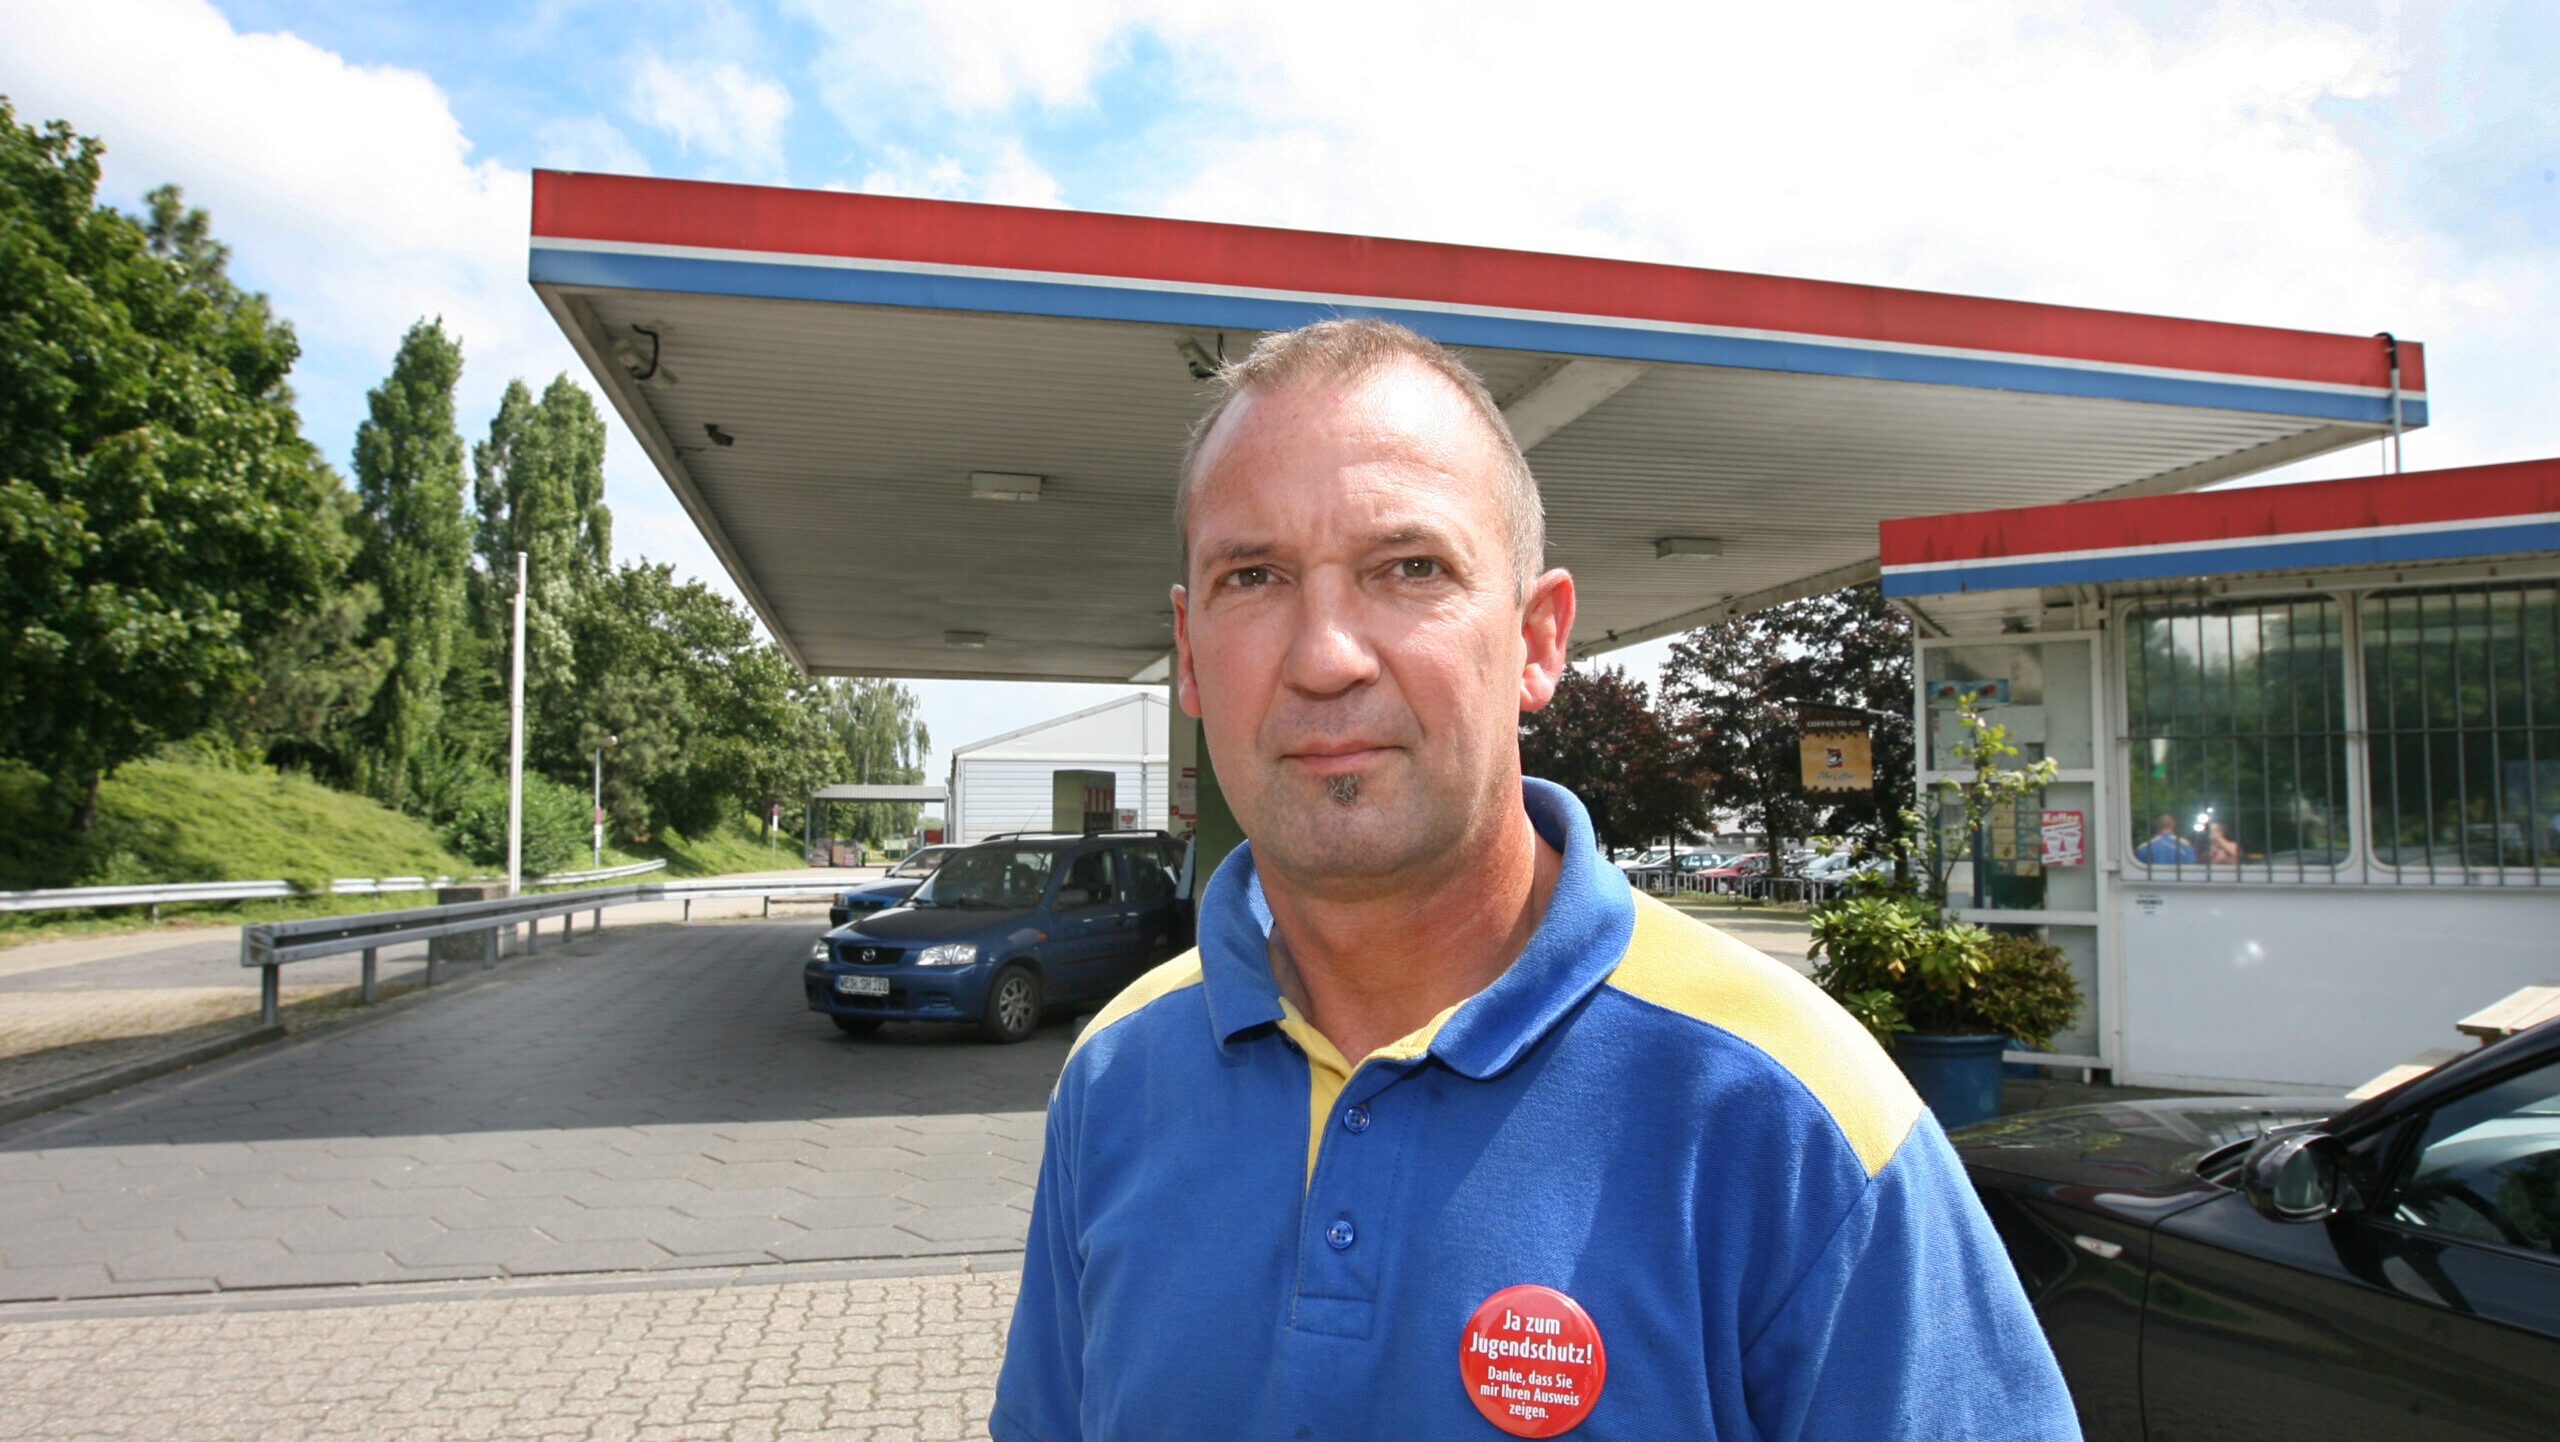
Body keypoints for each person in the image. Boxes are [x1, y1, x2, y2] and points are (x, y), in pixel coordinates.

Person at [994, 319, 2076, 1440]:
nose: (1324, 656)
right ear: (1189, 652)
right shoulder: (1116, 1074)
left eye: (1409, 568)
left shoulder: (1796, 1115)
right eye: (1253, 576)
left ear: (1538, 640)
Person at [2134, 813, 2198, 865]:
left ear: (2157, 826)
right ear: (2173, 825)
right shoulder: (2186, 846)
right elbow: (2191, 867)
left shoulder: (2143, 848)